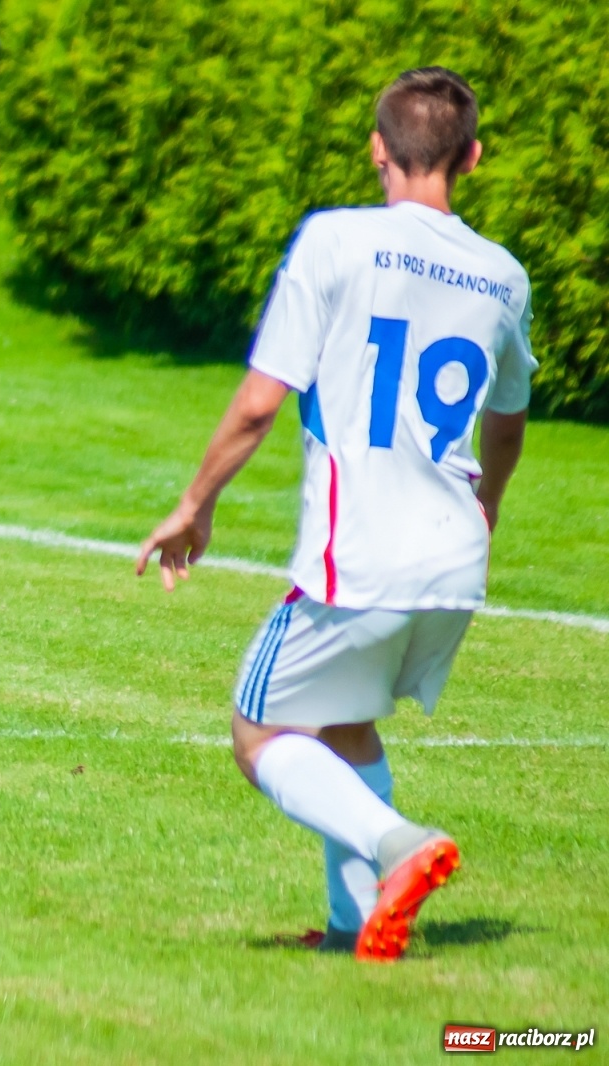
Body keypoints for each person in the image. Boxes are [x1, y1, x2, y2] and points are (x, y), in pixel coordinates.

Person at [136, 68, 535, 961]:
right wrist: (490, 508)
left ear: (376, 149)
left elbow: (257, 403)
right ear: (471, 157)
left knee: (258, 729)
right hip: (454, 558)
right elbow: (507, 423)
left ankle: (402, 844)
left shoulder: (335, 241)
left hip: (360, 555)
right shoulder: (504, 278)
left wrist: (193, 505)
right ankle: (360, 930)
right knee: (343, 724)